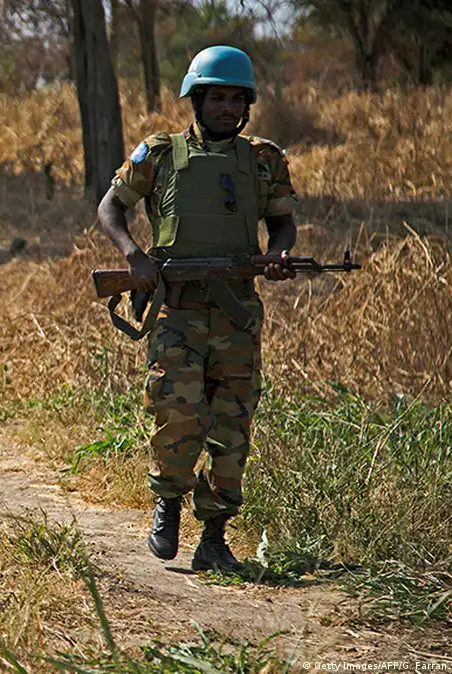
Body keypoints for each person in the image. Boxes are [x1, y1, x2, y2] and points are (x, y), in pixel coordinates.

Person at [94, 46, 299, 572]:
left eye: (236, 99)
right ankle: (167, 505)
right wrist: (134, 256)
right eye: (217, 98)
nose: (227, 108)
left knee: (232, 426)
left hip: (236, 316)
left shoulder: (264, 160)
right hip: (177, 313)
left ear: (248, 104)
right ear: (197, 101)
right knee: (177, 415)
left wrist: (278, 255)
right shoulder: (160, 153)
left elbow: (282, 224)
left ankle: (214, 536)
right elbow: (111, 207)